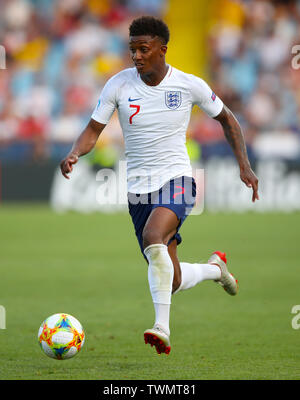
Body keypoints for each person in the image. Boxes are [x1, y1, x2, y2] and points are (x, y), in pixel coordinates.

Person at [60, 16, 259, 355]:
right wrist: (75, 152)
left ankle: (161, 328)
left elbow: (228, 119)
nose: (136, 56)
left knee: (155, 237)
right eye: (132, 49)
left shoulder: (187, 85)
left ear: (162, 50)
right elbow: (94, 129)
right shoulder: (118, 86)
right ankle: (215, 269)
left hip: (178, 180)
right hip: (138, 191)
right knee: (173, 278)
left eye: (143, 49)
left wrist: (244, 165)